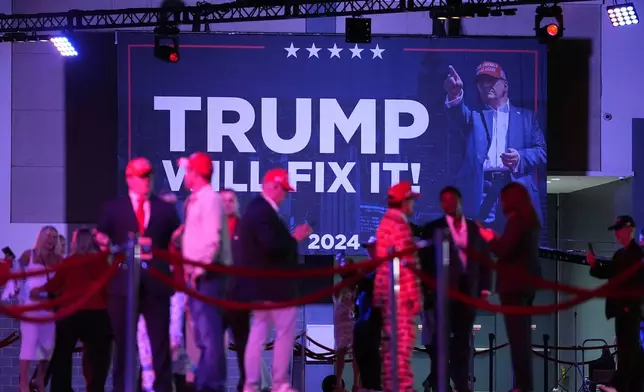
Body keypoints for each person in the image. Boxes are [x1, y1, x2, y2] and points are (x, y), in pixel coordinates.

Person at [95, 157, 181, 392]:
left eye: (149, 175)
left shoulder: (165, 209)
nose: (147, 181)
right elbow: (100, 238)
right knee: (123, 346)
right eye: (142, 176)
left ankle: (162, 389)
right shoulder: (114, 208)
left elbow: (177, 240)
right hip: (122, 286)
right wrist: (102, 242)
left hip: (157, 285)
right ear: (129, 179)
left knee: (160, 344)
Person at [444, 61, 547, 232]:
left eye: (491, 81)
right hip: (482, 188)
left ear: (505, 85)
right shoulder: (474, 116)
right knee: (481, 243)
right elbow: (458, 116)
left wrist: (520, 157)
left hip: (515, 187)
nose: (485, 85)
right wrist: (454, 93)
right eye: (481, 82)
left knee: (517, 243)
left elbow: (542, 150)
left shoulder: (527, 118)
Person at [234, 168, 312, 392]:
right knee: (282, 332)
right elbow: (271, 246)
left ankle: (253, 383)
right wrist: (294, 238)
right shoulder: (262, 211)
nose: (285, 196)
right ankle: (278, 383)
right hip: (272, 287)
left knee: (258, 334)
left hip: (263, 285)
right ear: (273, 187)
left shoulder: (259, 209)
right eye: (284, 190)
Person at [414, 186, 491, 392]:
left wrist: (485, 289)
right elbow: (423, 261)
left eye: (451, 200)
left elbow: (484, 262)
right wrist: (424, 290)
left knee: (462, 344)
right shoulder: (434, 228)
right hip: (440, 295)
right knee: (440, 344)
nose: (448, 205)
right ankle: (440, 385)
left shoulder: (475, 229)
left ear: (460, 202)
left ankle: (462, 385)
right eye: (444, 201)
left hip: (467, 294)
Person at [477, 182, 542, 392]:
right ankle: (523, 385)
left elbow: (504, 251)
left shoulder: (517, 221)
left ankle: (522, 386)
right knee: (521, 340)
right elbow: (513, 248)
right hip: (525, 286)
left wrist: (488, 238)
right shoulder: (529, 221)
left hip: (514, 287)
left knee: (518, 341)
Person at [31, 228, 112, 392]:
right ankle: (95, 389)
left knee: (62, 355)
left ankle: (61, 389)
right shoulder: (102, 261)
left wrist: (38, 290)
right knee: (98, 357)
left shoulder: (69, 262)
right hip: (97, 313)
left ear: (75, 242)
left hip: (70, 312)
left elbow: (55, 284)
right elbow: (108, 286)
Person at [179, 152, 231, 392]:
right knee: (203, 337)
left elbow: (212, 240)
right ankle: (207, 383)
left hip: (207, 277)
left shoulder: (209, 199)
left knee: (210, 337)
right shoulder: (199, 199)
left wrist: (198, 271)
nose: (185, 175)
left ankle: (212, 386)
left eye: (188, 170)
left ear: (196, 173)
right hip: (199, 276)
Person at [137, 190, 190, 392]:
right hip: (148, 290)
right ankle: (150, 385)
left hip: (175, 290)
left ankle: (165, 383)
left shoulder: (182, 232)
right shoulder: (144, 230)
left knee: (173, 342)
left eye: (172, 206)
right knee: (145, 343)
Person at [586, 215, 644, 392]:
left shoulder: (637, 255)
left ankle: (622, 386)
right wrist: (595, 264)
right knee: (626, 349)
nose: (617, 235)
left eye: (619, 231)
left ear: (629, 230)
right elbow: (608, 272)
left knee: (629, 349)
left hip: (630, 310)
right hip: (621, 310)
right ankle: (627, 386)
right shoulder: (620, 255)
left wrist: (629, 304)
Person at [373, 181, 421, 392]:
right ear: (404, 201)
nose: (413, 205)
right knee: (399, 350)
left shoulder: (391, 223)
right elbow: (401, 268)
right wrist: (412, 298)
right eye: (411, 200)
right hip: (399, 301)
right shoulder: (396, 225)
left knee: (396, 352)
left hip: (395, 299)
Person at [2, 226, 61, 392]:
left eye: (55, 236)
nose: (52, 239)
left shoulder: (57, 259)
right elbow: (17, 274)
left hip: (48, 307)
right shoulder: (29, 255)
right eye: (49, 235)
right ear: (41, 237)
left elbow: (62, 280)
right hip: (31, 307)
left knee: (48, 347)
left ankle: (39, 379)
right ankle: (23, 383)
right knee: (28, 344)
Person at [221, 188, 250, 392]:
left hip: (239, 296)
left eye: (231, 200)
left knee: (244, 347)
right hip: (214, 296)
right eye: (224, 201)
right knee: (212, 348)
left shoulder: (245, 228)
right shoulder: (209, 227)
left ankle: (245, 385)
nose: (228, 204)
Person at [352, 237, 382, 392]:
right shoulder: (370, 267)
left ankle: (373, 386)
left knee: (371, 350)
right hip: (364, 315)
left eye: (372, 247)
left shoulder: (385, 267)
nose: (369, 250)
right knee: (362, 351)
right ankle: (368, 385)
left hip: (375, 316)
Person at [332, 252, 358, 392]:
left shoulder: (357, 285)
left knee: (356, 352)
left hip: (354, 320)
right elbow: (337, 299)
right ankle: (338, 384)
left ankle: (356, 383)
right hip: (342, 321)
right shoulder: (339, 286)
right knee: (341, 351)